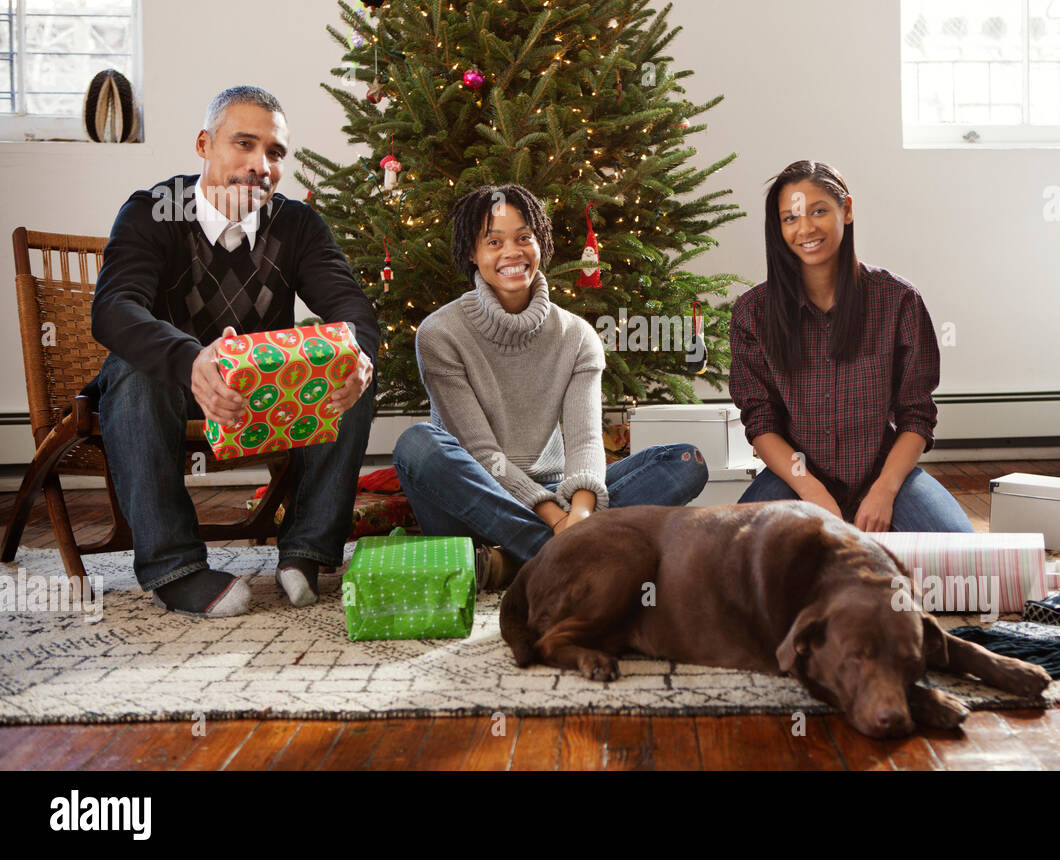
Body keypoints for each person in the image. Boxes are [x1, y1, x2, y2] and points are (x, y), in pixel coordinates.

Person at [87, 86, 379, 618]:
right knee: (131, 368)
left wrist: (357, 357)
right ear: (204, 143)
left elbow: (352, 310)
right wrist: (191, 359)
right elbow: (113, 309)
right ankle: (174, 569)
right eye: (244, 144)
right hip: (168, 389)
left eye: (274, 153)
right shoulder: (153, 212)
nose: (260, 165)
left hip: (263, 396)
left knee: (353, 363)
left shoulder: (297, 225)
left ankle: (305, 552)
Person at [394, 184, 709, 589]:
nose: (512, 252)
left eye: (524, 237)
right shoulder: (440, 333)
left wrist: (578, 513)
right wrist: (557, 520)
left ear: (540, 242)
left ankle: (513, 563)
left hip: (557, 490)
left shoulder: (577, 336)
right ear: (472, 254)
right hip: (475, 503)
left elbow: (584, 442)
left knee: (685, 462)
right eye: (494, 241)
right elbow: (481, 453)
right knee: (417, 445)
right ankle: (572, 554)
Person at [728, 160, 971, 533]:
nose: (805, 228)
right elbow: (761, 422)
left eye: (819, 211)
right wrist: (810, 489)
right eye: (790, 218)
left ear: (848, 209)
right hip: (795, 478)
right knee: (730, 559)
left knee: (960, 554)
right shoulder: (752, 313)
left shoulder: (898, 301)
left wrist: (885, 491)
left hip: (884, 474)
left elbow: (916, 416)